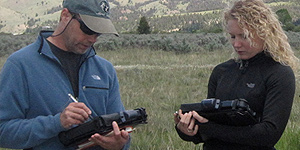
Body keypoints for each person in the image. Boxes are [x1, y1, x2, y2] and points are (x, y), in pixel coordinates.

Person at [0, 0, 130, 149]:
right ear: (65, 16)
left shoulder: (105, 70)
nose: (92, 39)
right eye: (87, 29)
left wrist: (120, 144)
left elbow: (122, 129)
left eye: (98, 33)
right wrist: (57, 123)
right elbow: (3, 131)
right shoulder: (20, 65)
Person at [174, 0, 299, 149]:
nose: (236, 44)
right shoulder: (221, 71)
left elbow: (268, 134)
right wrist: (186, 130)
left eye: (244, 36)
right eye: (233, 36)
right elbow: (205, 132)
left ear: (264, 33)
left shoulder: (279, 73)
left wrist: (207, 127)